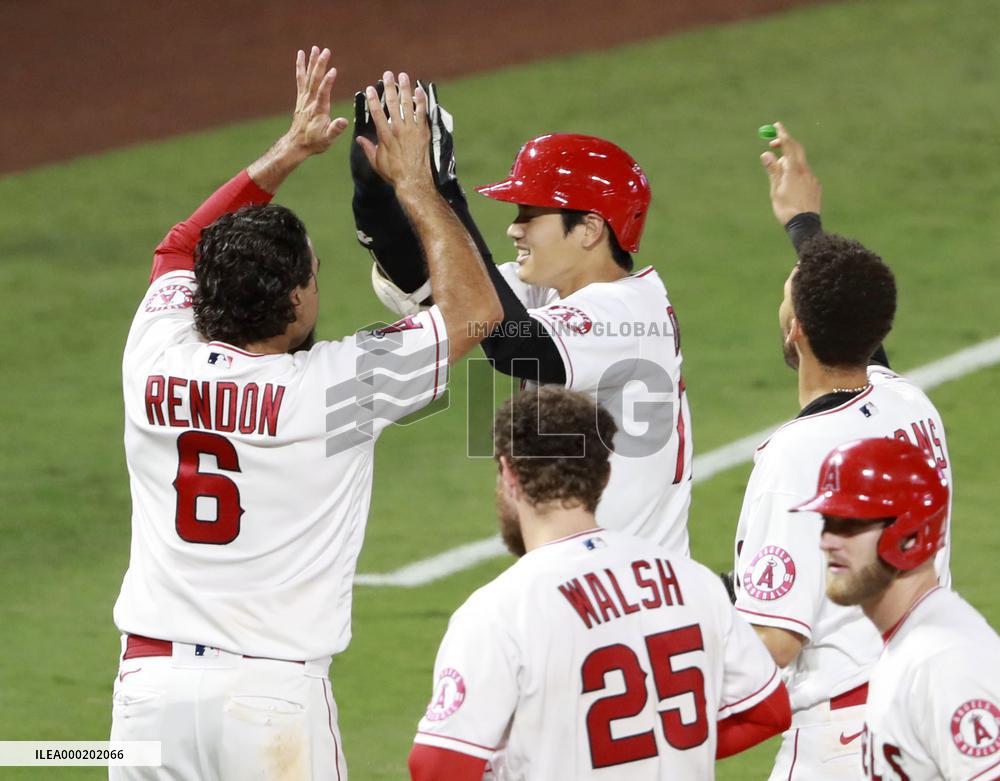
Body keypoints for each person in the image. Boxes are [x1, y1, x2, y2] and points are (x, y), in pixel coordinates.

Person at [109, 50, 502, 780]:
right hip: (270, 703)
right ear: (295, 300)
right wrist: (416, 183)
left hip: (148, 696)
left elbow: (180, 245)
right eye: (314, 274)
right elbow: (476, 310)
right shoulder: (336, 390)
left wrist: (288, 150)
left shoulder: (154, 356)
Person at [350, 85, 693, 552]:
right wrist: (375, 191)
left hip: (628, 577)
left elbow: (515, 346)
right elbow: (426, 275)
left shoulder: (630, 310)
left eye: (531, 215)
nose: (513, 228)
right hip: (592, 572)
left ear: (590, 229)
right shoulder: (549, 290)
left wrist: (443, 191)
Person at [408, 386, 790, 780]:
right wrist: (655, 749)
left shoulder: (499, 612)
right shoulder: (694, 582)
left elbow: (436, 766)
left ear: (509, 473)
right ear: (605, 477)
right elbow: (768, 711)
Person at [730, 121, 954, 779]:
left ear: (794, 329)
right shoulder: (913, 406)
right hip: (924, 718)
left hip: (843, 745)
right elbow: (856, 320)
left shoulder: (794, 457)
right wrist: (804, 223)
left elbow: (773, 641)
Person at [792, 437, 1000, 781]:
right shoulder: (907, 644)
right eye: (827, 523)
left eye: (849, 524)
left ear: (911, 536)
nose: (826, 541)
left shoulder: (945, 661)